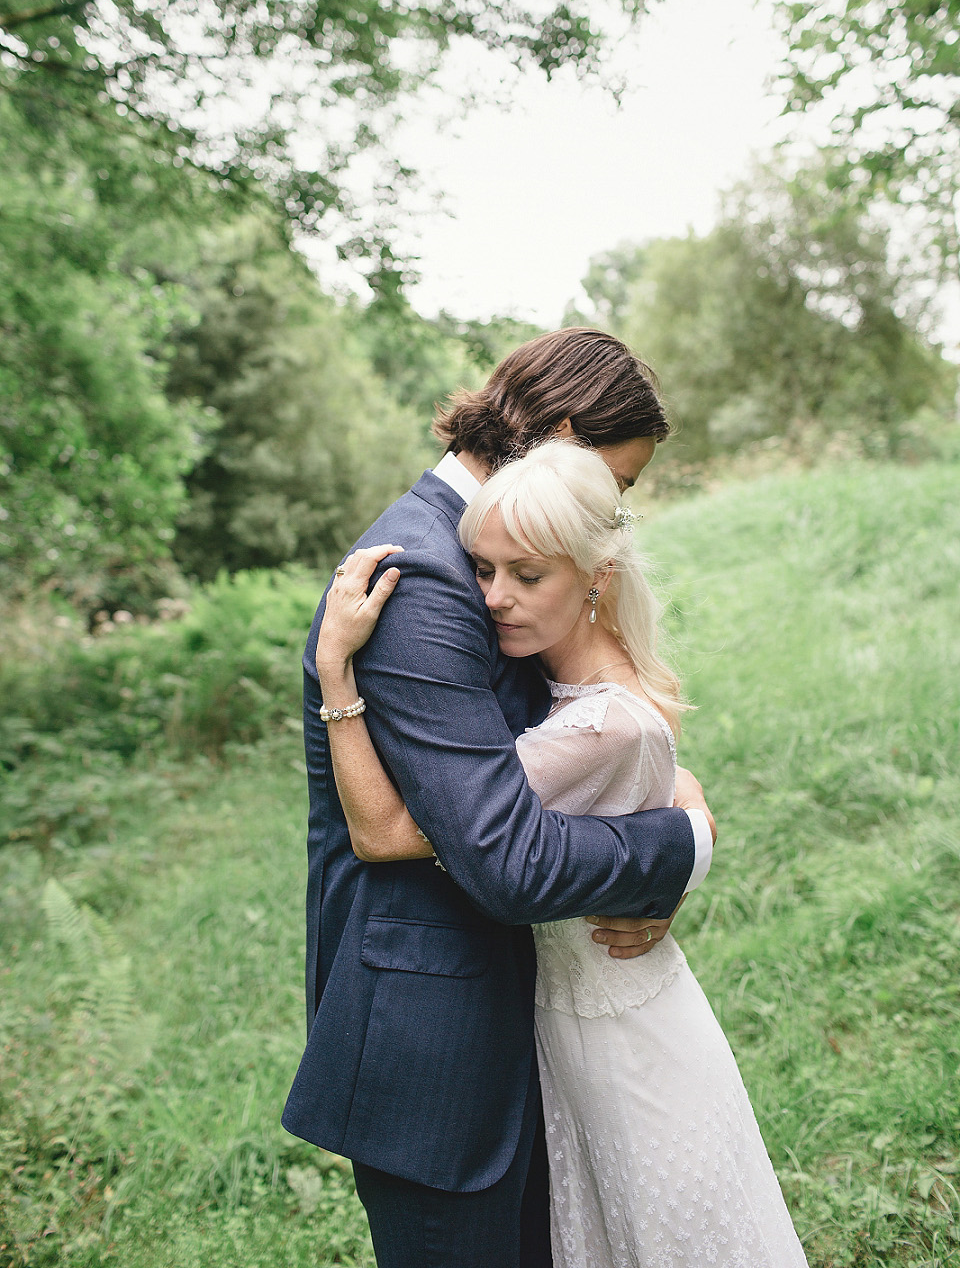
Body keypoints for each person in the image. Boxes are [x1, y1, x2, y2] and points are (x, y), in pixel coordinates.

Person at [282, 328, 716, 1268]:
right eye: (621, 484)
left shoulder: (491, 550)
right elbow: (503, 854)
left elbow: (582, 727)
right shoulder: (429, 577)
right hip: (435, 1042)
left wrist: (672, 787)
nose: (617, 517)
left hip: (506, 1011)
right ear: (562, 439)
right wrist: (679, 843)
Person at [316, 439, 808, 1267]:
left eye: (527, 576)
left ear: (596, 579)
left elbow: (385, 834)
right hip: (585, 1008)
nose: (494, 600)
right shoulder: (581, 691)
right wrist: (686, 825)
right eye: (483, 571)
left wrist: (336, 676)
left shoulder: (600, 721)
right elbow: (661, 773)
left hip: (614, 1032)